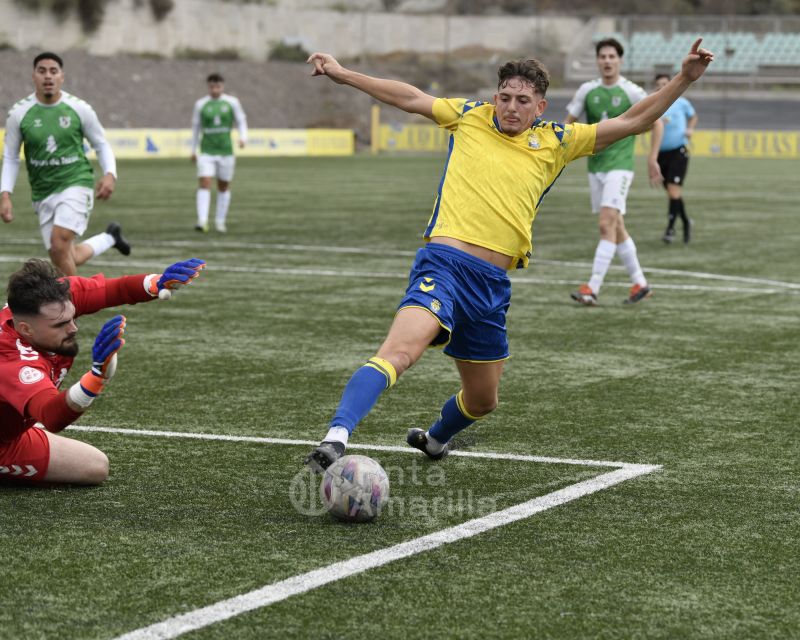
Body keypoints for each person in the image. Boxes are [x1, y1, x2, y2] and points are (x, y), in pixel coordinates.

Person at [302, 40, 713, 471]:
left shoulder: (557, 140)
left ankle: (436, 439)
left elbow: (633, 121)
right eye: (504, 98)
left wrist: (685, 78)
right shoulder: (468, 116)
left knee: (483, 399)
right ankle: (336, 438)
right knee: (400, 352)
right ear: (494, 97)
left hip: (491, 285)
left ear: (540, 106)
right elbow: (409, 97)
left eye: (522, 100)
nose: (510, 107)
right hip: (443, 264)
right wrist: (342, 72)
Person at [0, 257, 206, 485]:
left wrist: (156, 284)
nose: (73, 327)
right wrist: (95, 378)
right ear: (25, 329)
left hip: (11, 437)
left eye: (72, 316)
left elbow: (113, 289)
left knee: (94, 467)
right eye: (60, 325)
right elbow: (51, 416)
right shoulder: (11, 361)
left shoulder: (55, 301)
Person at [1, 52, 131, 278]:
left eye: (53, 71)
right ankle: (110, 238)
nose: (48, 76)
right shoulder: (19, 114)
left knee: (59, 244)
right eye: (42, 71)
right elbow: (11, 157)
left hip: (76, 182)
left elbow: (101, 144)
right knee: (65, 255)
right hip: (42, 191)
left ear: (62, 77)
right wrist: (5, 195)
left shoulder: (79, 109)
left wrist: (110, 174)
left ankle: (73, 309)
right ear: (33, 76)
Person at [566, 38, 663, 307]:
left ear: (619, 60)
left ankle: (592, 288)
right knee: (617, 226)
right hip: (595, 166)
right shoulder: (587, 90)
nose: (607, 61)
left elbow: (657, 122)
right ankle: (640, 284)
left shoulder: (631, 91)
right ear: (597, 61)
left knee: (606, 223)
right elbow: (568, 124)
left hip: (620, 167)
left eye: (612, 56)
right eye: (603, 56)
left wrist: (652, 158)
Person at [191, 73, 248, 233]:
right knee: (204, 183)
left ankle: (220, 221)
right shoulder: (201, 104)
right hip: (207, 151)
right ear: (208, 86)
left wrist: (243, 137)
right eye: (211, 86)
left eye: (217, 86)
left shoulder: (232, 102)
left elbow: (241, 120)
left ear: (222, 86)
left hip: (226, 151)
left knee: (223, 186)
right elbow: (196, 128)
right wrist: (193, 149)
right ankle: (202, 221)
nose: (214, 89)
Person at [652, 73, 698, 244]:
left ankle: (670, 229)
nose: (662, 86)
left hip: (679, 151)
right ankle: (686, 222)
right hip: (661, 154)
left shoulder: (681, 102)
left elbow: (693, 117)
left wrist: (690, 129)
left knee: (673, 190)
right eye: (659, 84)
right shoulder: (654, 105)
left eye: (665, 83)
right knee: (673, 193)